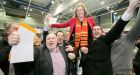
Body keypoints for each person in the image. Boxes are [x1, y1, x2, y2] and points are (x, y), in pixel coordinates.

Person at [80, 0, 139, 75]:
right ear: (92, 32)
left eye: (98, 29)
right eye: (94, 29)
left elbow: (118, 27)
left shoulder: (105, 40)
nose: (96, 31)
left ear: (102, 31)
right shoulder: (87, 43)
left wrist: (130, 8)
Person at [45, 3, 95, 75]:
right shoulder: (73, 20)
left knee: (87, 64)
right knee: (71, 58)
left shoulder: (90, 19)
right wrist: (51, 24)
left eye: (81, 9)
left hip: (88, 45)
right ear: (76, 12)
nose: (79, 11)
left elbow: (96, 27)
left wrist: (102, 33)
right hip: (75, 45)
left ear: (84, 11)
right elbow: (63, 25)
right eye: (77, 10)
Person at [8, 32, 75, 75]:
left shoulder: (63, 50)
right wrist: (17, 47)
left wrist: (73, 56)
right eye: (48, 39)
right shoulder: (39, 50)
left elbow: (69, 62)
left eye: (53, 38)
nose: (51, 40)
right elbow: (23, 64)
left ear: (57, 41)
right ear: (45, 42)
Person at [111, 3, 140, 75]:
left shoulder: (129, 38)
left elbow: (138, 26)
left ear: (124, 29)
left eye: (121, 27)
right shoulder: (107, 40)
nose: (119, 29)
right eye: (116, 27)